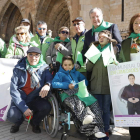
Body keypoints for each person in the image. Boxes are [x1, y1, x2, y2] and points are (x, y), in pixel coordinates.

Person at [52, 56, 106, 139]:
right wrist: (67, 85)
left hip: (79, 92)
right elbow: (54, 83)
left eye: (69, 65)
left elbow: (85, 81)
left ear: (73, 65)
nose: (67, 67)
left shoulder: (77, 73)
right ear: (62, 65)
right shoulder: (59, 74)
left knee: (94, 103)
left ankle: (99, 129)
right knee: (78, 103)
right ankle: (92, 126)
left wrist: (82, 84)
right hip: (67, 94)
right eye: (65, 65)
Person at [7, 47, 53, 133]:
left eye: (36, 55)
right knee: (13, 115)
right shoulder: (18, 68)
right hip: (21, 98)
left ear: (40, 56)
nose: (33, 58)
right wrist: (24, 108)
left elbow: (49, 79)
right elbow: (13, 90)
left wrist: (47, 85)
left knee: (46, 107)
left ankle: (35, 122)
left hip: (35, 97)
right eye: (30, 55)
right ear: (27, 56)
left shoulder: (44, 68)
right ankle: (17, 123)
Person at [86, 30, 117, 140]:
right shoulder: (93, 49)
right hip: (95, 85)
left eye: (103, 36)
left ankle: (106, 131)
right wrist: (91, 58)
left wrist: (115, 62)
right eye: (99, 36)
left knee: (106, 110)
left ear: (108, 38)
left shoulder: (113, 49)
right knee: (96, 111)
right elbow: (88, 68)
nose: (101, 38)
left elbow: (117, 65)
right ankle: (98, 132)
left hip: (108, 86)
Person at [118, 13, 140, 140]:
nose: (138, 25)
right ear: (132, 25)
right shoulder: (126, 43)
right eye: (136, 23)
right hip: (132, 82)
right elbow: (121, 60)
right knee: (134, 116)